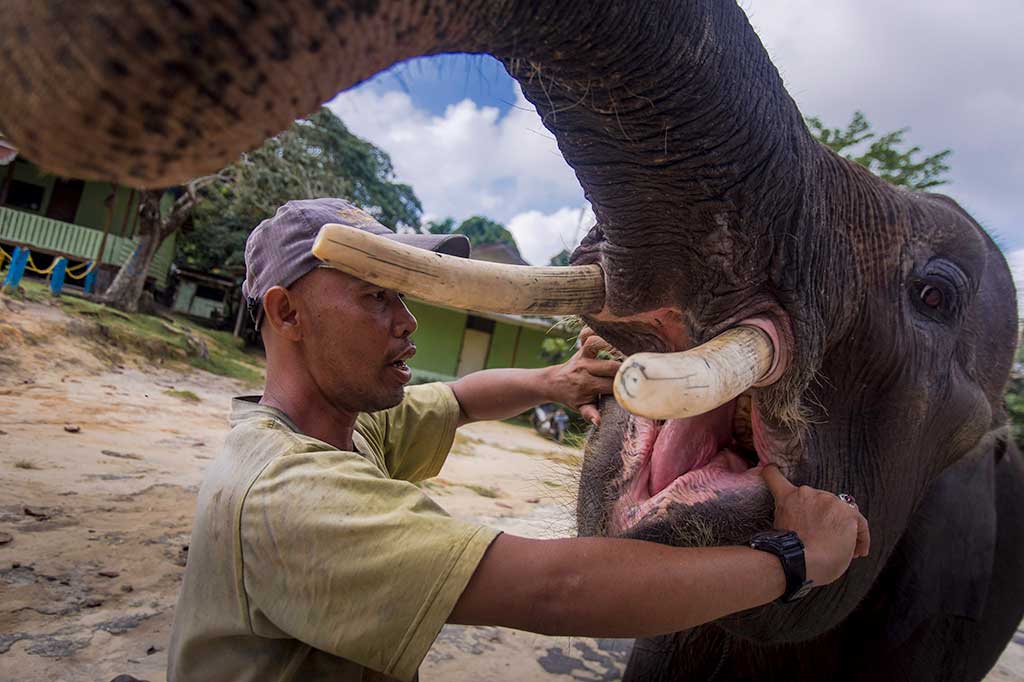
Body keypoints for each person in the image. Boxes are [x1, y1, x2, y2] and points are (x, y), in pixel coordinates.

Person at [167, 198, 869, 682]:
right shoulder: (290, 493)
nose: (408, 322)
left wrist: (555, 380)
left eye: (403, 295)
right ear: (287, 313)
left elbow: (462, 398)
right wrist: (797, 560)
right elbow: (556, 591)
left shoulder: (342, 429)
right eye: (377, 296)